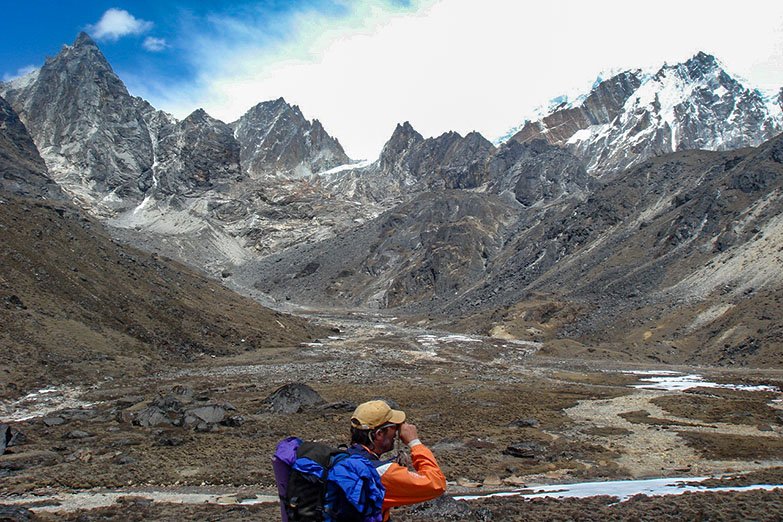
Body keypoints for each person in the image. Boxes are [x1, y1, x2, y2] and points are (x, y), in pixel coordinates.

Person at [348, 400, 446, 521]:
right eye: (393, 427)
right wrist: (415, 443)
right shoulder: (381, 473)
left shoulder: (340, 458)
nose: (396, 432)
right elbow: (436, 484)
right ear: (379, 434)